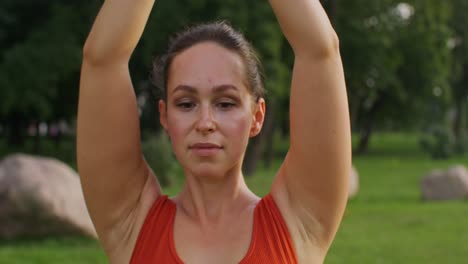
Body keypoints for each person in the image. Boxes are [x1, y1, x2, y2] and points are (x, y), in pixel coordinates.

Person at [77, 0, 351, 263]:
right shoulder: (132, 223)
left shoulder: (299, 222)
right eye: (186, 104)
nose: (205, 122)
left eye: (225, 103)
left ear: (257, 117)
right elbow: (102, 59)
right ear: (165, 116)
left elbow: (320, 49)